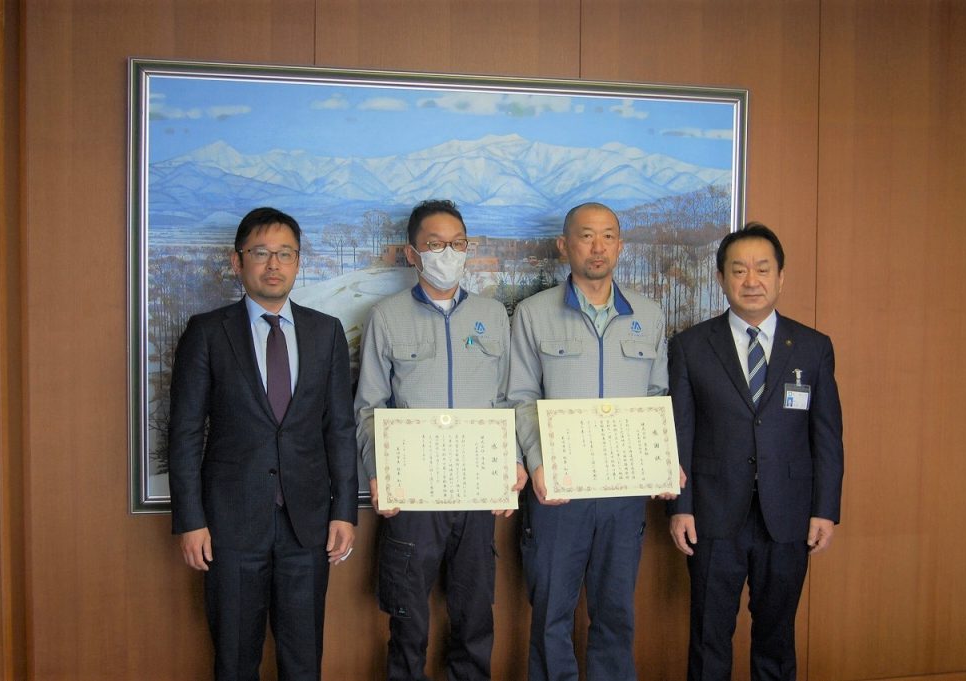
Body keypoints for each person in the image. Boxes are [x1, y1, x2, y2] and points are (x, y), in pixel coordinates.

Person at [168, 207, 358, 681]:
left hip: (307, 527)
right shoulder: (208, 333)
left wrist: (344, 512)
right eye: (260, 253)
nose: (273, 264)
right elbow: (187, 432)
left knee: (303, 660)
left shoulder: (325, 331)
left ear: (298, 263)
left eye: (285, 254)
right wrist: (191, 521)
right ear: (237, 262)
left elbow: (339, 428)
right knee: (234, 659)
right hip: (230, 527)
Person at [354, 199, 527, 681]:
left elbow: (508, 398)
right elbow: (368, 407)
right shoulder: (385, 317)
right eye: (434, 244)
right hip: (414, 493)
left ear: (467, 248)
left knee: (474, 618)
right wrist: (379, 471)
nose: (446, 253)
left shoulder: (494, 316)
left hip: (478, 492)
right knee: (408, 624)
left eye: (457, 243)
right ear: (413, 253)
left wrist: (513, 460)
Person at [666, 222, 844, 681]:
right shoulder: (690, 346)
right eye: (739, 269)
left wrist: (825, 510)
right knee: (709, 637)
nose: (751, 280)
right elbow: (680, 432)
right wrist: (680, 508)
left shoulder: (812, 346)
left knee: (776, 637)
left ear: (781, 276)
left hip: (787, 515)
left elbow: (826, 436)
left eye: (762, 269)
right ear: (721, 278)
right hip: (712, 514)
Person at [508, 202, 671, 681]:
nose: (597, 248)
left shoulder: (650, 314)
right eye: (585, 236)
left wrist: (663, 460)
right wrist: (537, 463)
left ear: (620, 246)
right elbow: (519, 396)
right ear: (564, 245)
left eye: (607, 236)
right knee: (550, 619)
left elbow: (657, 397)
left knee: (616, 618)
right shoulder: (534, 314)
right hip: (558, 494)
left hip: (624, 497)